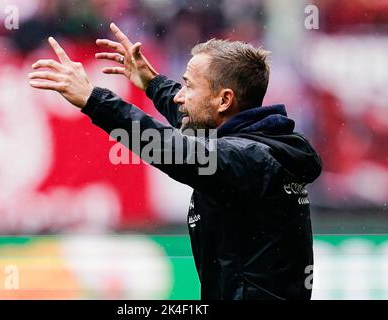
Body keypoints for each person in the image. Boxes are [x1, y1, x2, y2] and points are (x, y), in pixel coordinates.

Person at [28, 23, 322, 300]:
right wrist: (153, 84)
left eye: (189, 86)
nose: (180, 96)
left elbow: (172, 148)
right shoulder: (258, 150)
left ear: (224, 100)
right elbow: (196, 127)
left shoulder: (246, 160)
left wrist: (94, 100)